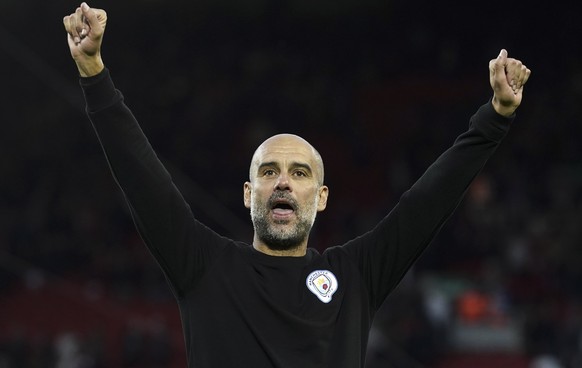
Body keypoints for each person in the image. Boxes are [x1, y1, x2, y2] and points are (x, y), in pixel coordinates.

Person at [63, 3, 531, 367]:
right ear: (248, 195)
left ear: (321, 198)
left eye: (299, 173)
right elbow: (145, 183)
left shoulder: (355, 276)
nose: (283, 182)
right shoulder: (204, 266)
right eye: (268, 172)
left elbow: (426, 203)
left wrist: (496, 118)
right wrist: (93, 73)